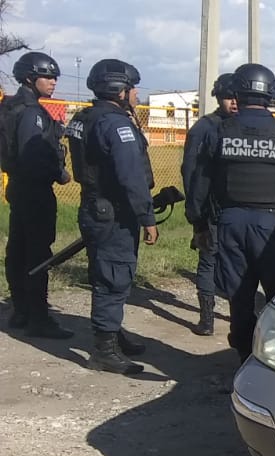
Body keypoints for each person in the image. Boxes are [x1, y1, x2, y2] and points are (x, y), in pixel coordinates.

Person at [188, 63, 275, 363]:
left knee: (240, 299)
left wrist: (199, 224)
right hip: (271, 227)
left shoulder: (217, 132)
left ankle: (244, 358)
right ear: (271, 93)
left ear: (238, 92)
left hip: (230, 224)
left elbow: (200, 183)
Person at [65, 59, 159, 375]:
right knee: (114, 277)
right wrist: (147, 217)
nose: (136, 94)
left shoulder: (85, 117)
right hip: (114, 213)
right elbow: (130, 174)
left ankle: (114, 334)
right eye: (133, 88)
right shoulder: (115, 124)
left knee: (104, 272)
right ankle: (105, 351)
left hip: (93, 206)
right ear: (118, 91)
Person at [2, 52, 74, 338]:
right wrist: (59, 172)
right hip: (35, 190)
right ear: (31, 79)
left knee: (17, 251)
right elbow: (34, 155)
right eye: (48, 76)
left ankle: (20, 311)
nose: (53, 81)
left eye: (55, 76)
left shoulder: (9, 107)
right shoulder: (33, 113)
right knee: (37, 255)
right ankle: (39, 318)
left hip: (18, 187)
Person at [181, 72, 237, 336]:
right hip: (211, 211)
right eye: (228, 97)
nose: (234, 102)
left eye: (238, 96)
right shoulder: (205, 128)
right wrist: (197, 216)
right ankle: (207, 318)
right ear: (219, 97)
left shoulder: (246, 127)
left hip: (238, 213)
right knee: (208, 262)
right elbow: (191, 173)